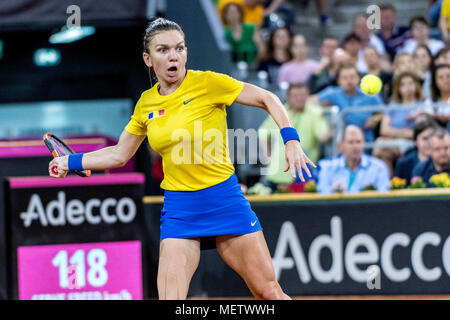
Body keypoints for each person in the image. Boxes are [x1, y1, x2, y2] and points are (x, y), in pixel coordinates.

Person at [48, 18, 315, 300]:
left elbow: (267, 98)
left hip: (224, 200)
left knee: (268, 292)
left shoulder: (209, 83)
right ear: (148, 59)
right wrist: (71, 162)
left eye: (179, 48)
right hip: (180, 210)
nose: (173, 56)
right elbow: (119, 154)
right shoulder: (146, 103)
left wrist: (291, 140)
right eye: (163, 50)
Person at [258, 83, 329, 191]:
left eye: (303, 95)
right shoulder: (280, 110)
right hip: (276, 174)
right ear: (288, 96)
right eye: (296, 95)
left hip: (302, 176)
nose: (300, 99)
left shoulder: (315, 112)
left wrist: (332, 130)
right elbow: (263, 132)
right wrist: (268, 158)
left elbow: (322, 136)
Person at [372, 72, 425, 176]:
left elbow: (417, 133)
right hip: (391, 142)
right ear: (398, 88)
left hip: (410, 144)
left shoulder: (421, 106)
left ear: (416, 85)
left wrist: (393, 134)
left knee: (380, 148)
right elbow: (383, 130)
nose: (407, 87)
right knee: (384, 154)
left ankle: (389, 186)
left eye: (410, 83)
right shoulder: (393, 105)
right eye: (403, 84)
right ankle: (391, 185)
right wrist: (405, 132)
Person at [315, 63, 384, 143]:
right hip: (343, 142)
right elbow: (311, 101)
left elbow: (383, 112)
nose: (349, 81)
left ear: (358, 79)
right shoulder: (332, 93)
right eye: (344, 77)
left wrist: (375, 119)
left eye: (352, 77)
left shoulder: (370, 95)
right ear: (339, 81)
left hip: (366, 141)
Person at [317, 125, 390, 194]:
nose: (355, 147)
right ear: (340, 146)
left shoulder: (379, 167)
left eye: (358, 142)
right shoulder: (326, 167)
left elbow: (385, 197)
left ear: (364, 143)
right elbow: (320, 195)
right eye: (350, 142)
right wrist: (332, 192)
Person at [394, 118, 440, 184]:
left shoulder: (443, 162)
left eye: (432, 138)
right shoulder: (403, 163)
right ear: (415, 142)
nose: (429, 142)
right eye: (425, 138)